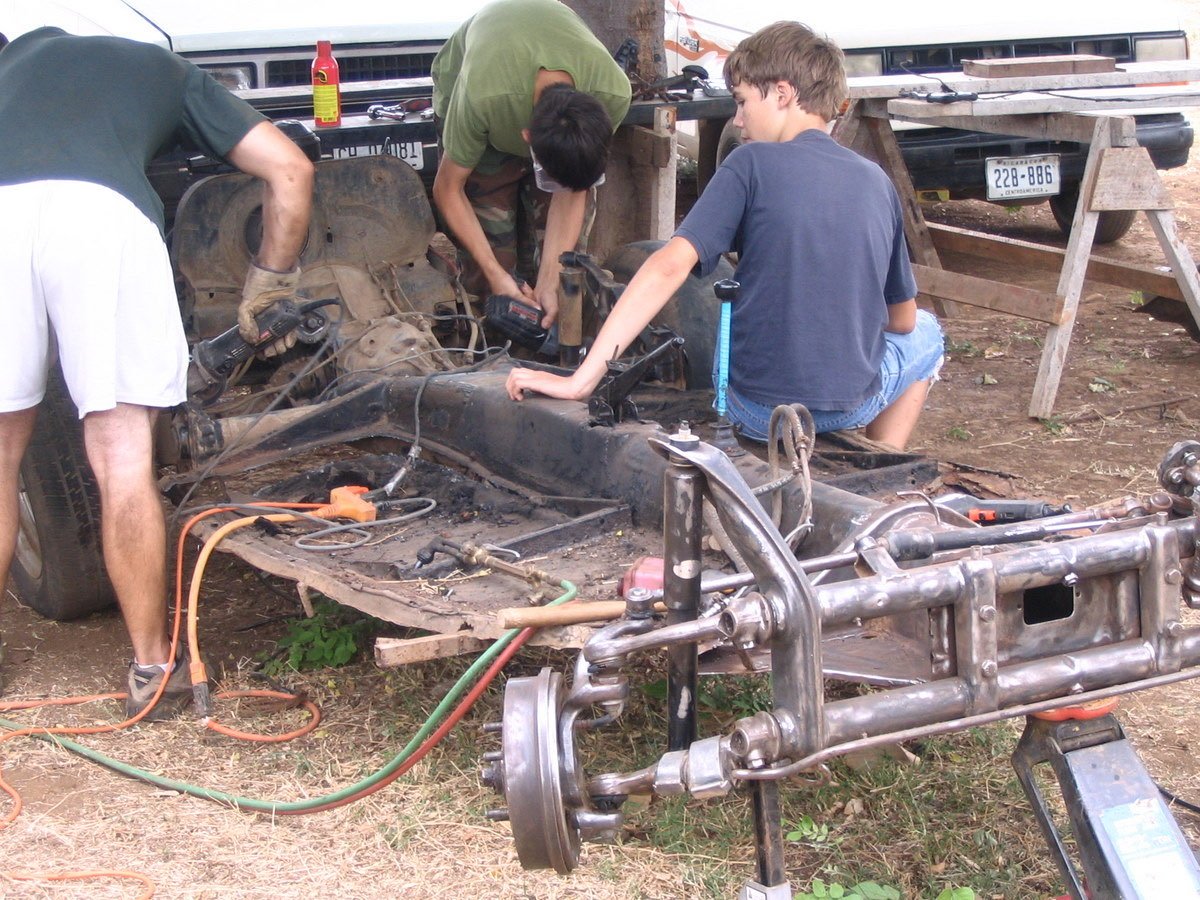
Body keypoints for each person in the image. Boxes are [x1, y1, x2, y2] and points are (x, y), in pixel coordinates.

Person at [0, 27, 314, 715]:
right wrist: (268, 281)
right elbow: (291, 170)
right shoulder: (157, 65)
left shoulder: (10, 67)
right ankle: (151, 670)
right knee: (121, 455)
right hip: (100, 220)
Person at [506, 21, 943, 451]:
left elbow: (668, 265)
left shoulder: (749, 164)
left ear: (782, 93)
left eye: (742, 100)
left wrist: (582, 380)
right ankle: (882, 464)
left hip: (753, 410)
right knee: (927, 331)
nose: (737, 119)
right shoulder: (876, 181)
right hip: (850, 407)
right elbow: (901, 321)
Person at [431, 0, 631, 327]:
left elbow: (575, 186)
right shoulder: (483, 98)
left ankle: (558, 351)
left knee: (567, 271)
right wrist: (497, 276)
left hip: (521, 90)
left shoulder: (612, 95)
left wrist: (551, 279)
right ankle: (490, 354)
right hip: (482, 97)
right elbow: (448, 189)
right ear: (526, 138)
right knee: (491, 264)